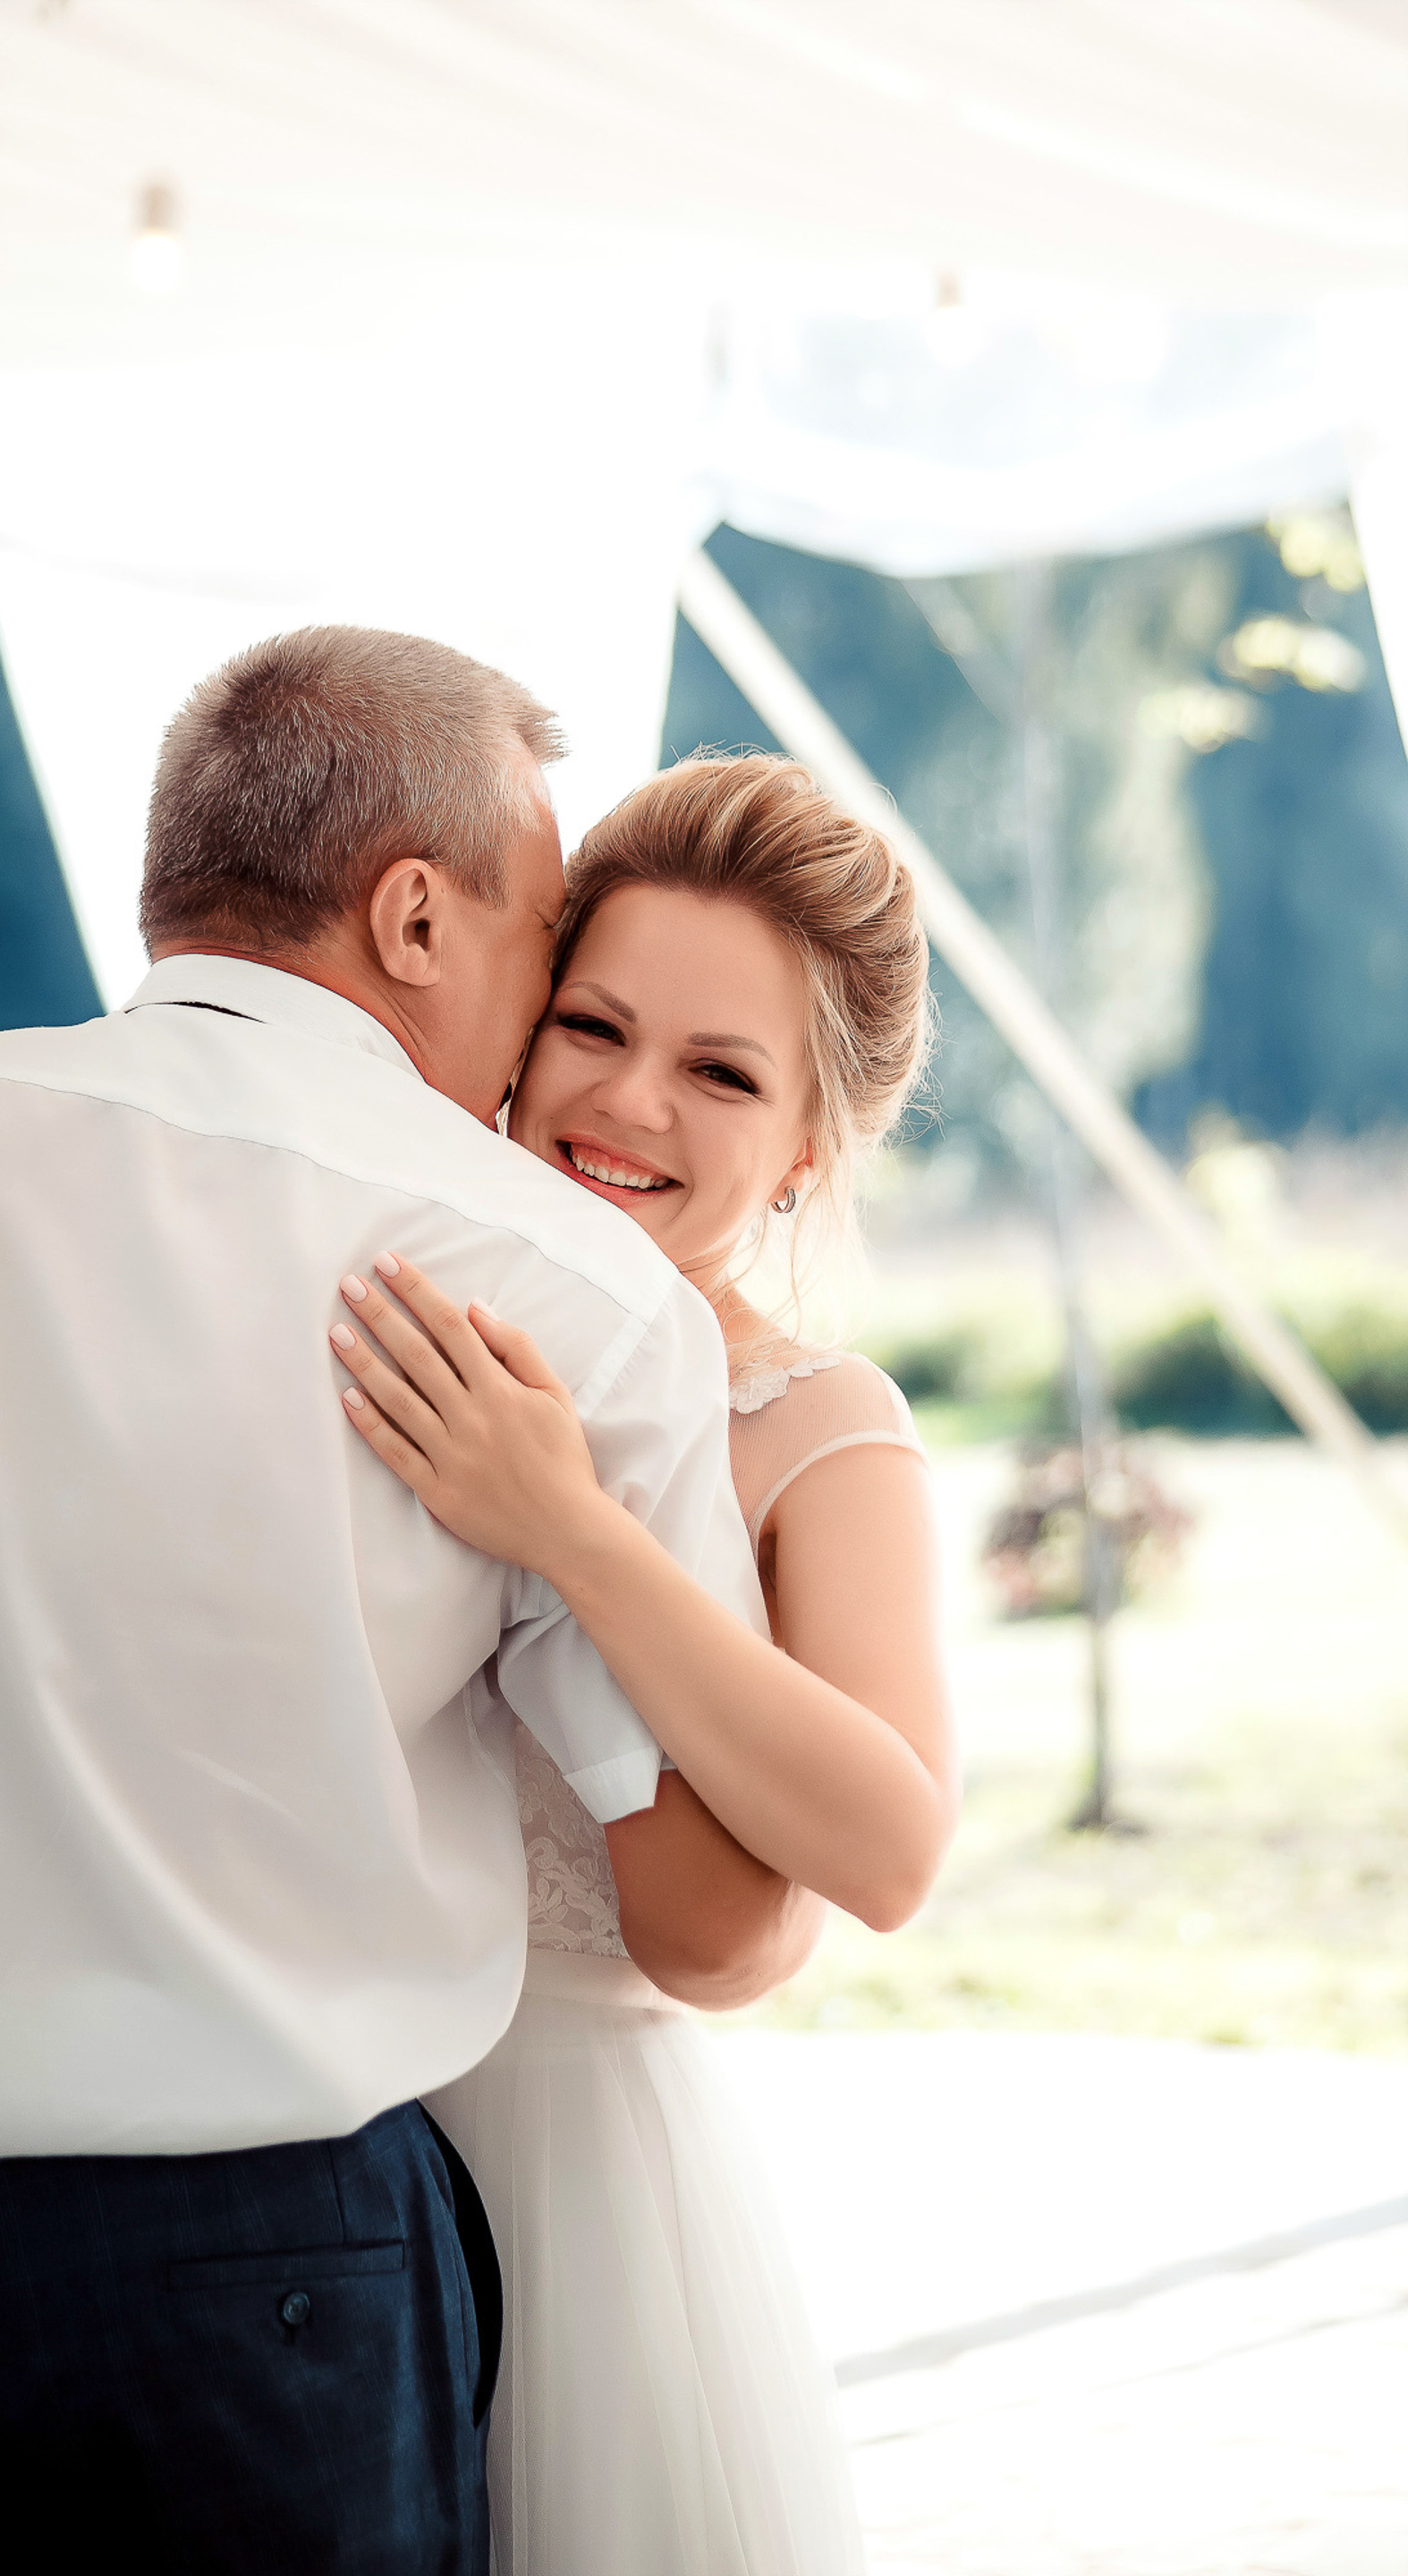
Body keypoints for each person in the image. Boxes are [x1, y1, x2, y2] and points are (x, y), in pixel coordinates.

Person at [0, 635, 802, 2575]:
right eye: (546, 945)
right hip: (254, 2283)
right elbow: (707, 1904)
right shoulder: (564, 1293)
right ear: (415, 914)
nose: (546, 1023)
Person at [327, 752, 961, 2575]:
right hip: (303, 2143)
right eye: (592, 1026)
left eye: (721, 1072)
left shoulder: (818, 1428)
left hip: (588, 2200)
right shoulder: (382, 1319)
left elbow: (889, 1849)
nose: (623, 1102)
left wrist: (579, 1531)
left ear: (809, 1146)